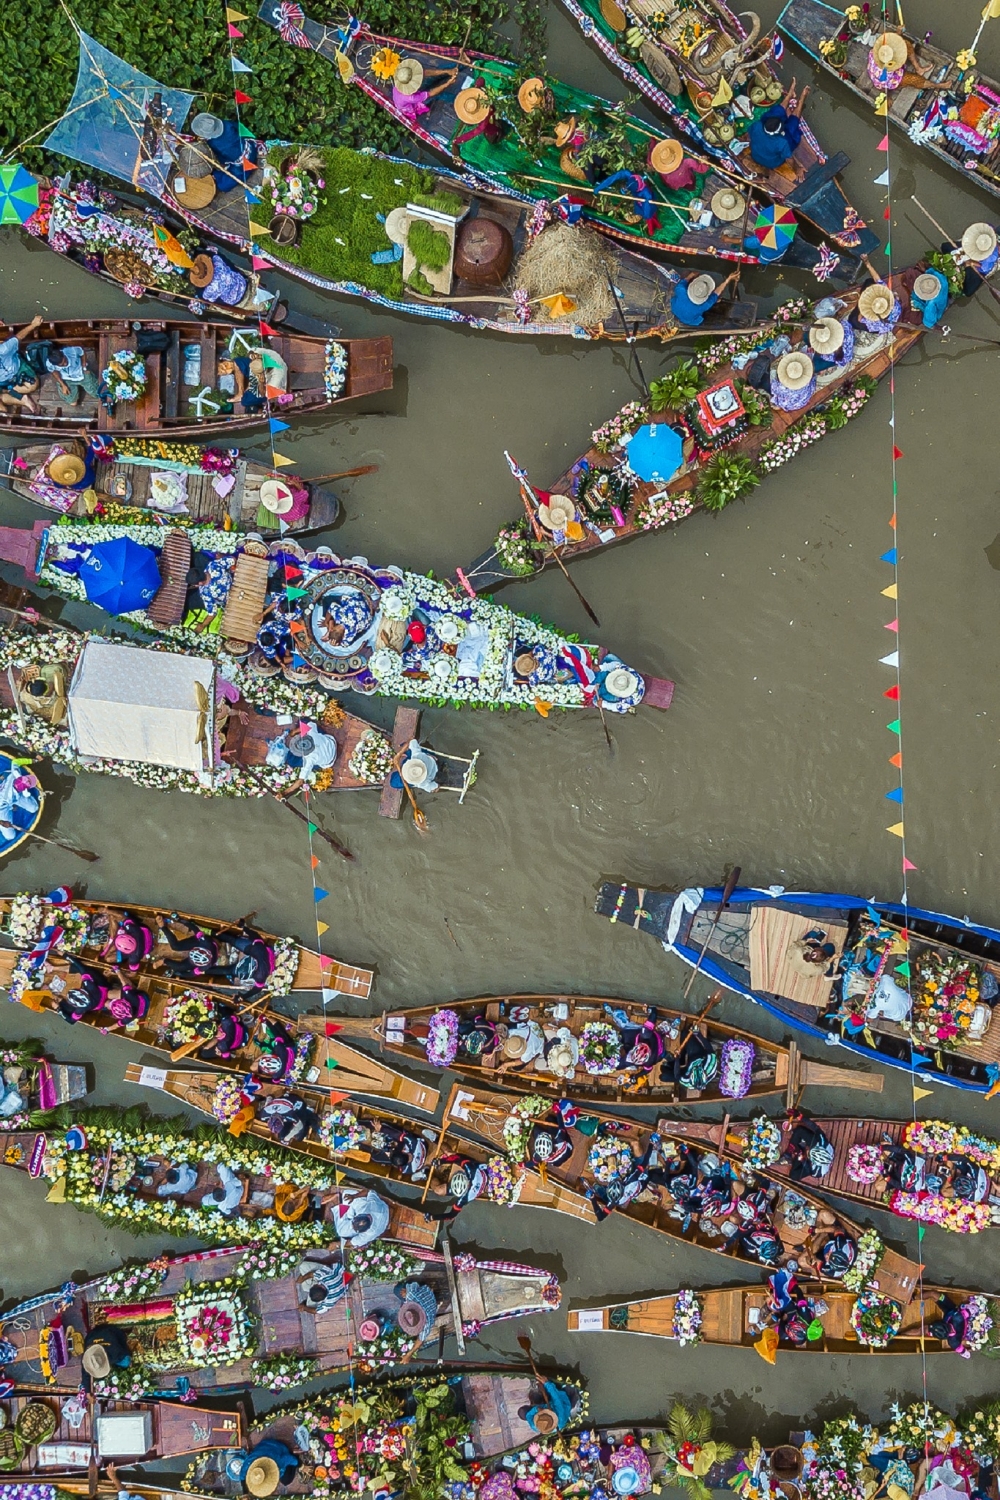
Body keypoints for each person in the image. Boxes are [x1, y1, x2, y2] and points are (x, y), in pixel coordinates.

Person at [190, 113, 260, 194]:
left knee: (222, 185)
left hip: (243, 165)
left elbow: (222, 159)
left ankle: (217, 175)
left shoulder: (213, 143)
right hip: (251, 147)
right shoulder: (227, 124)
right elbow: (239, 128)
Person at [0, 314, 45, 412]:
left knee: (33, 385)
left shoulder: (3, 350)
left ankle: (9, 392)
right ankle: (24, 400)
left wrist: (33, 325)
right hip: (3, 381)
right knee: (2, 408)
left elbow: (18, 337)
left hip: (17, 368)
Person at [671, 270, 738, 328]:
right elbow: (716, 293)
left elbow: (688, 278)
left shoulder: (681, 288)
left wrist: (693, 274)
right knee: (714, 301)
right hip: (689, 320)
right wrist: (728, 279)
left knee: (714, 299)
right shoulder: (704, 305)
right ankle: (716, 301)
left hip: (675, 309)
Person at [748, 102, 804, 170]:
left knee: (775, 112)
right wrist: (797, 169)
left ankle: (791, 93)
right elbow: (789, 159)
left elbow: (750, 135)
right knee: (791, 128)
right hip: (772, 163)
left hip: (755, 155)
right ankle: (802, 97)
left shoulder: (757, 125)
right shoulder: (782, 142)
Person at [81, 1323, 131, 1392]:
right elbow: (85, 1371)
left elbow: (125, 1352)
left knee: (126, 1362)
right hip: (96, 1333)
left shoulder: (115, 1355)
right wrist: (88, 1391)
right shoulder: (89, 1349)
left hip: (116, 1332)